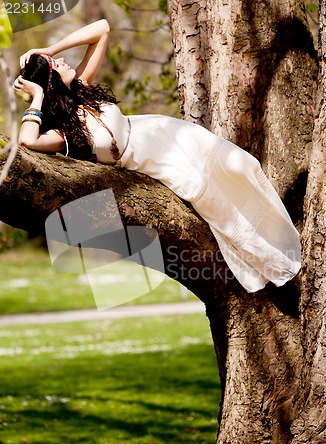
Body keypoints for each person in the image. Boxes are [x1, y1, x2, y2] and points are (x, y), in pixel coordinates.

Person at [13, 19, 301, 293]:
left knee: (242, 166)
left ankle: (283, 237)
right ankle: (275, 264)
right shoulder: (63, 131)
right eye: (55, 65)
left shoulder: (82, 89)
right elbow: (28, 139)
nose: (63, 61)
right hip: (150, 161)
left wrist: (49, 50)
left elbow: (102, 29)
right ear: (50, 84)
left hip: (167, 133)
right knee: (208, 197)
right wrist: (36, 96)